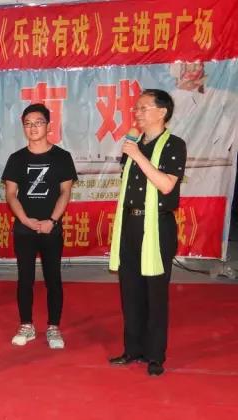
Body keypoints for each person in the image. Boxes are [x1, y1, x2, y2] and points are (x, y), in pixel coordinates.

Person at [109, 89, 187, 376]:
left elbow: (166, 185)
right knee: (130, 290)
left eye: (143, 108)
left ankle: (155, 355)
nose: (137, 113)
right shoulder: (135, 142)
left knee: (155, 292)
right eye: (136, 108)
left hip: (157, 226)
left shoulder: (174, 145)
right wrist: (134, 149)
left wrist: (138, 155)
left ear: (162, 112)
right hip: (130, 224)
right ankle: (133, 349)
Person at [1, 103, 77, 350]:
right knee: (25, 278)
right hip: (25, 228)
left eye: (38, 122)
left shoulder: (62, 157)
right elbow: (11, 194)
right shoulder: (17, 158)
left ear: (48, 126)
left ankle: (54, 326)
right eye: (28, 124)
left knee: (53, 278)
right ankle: (26, 324)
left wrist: (52, 221)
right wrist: (25, 220)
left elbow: (65, 192)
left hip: (51, 227)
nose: (33, 128)